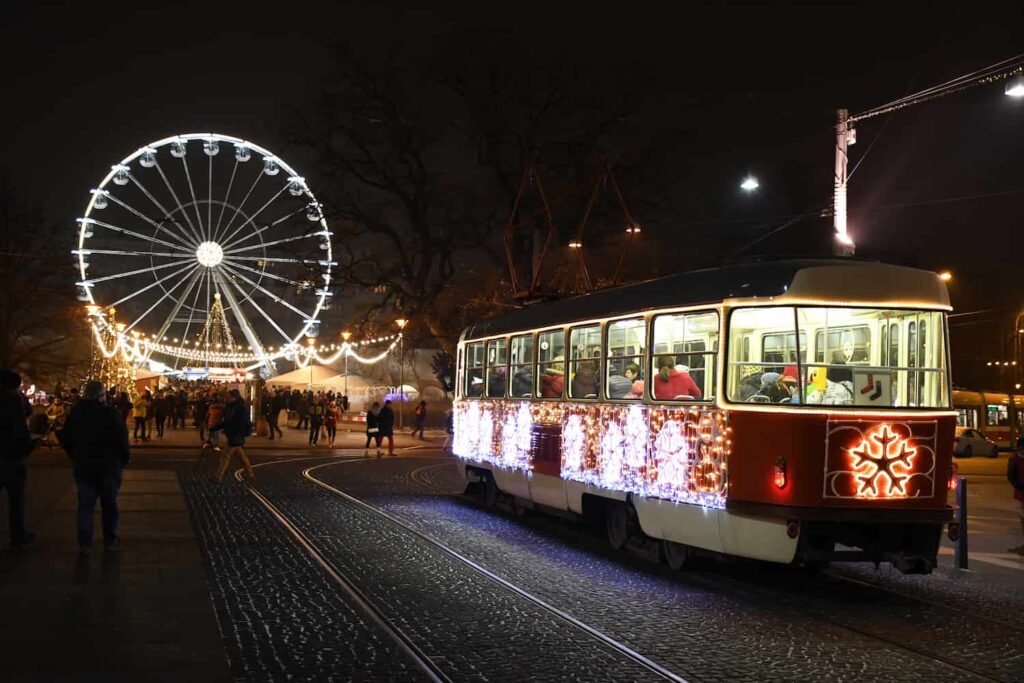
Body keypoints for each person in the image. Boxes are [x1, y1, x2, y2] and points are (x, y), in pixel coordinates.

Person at [61, 381, 130, 555]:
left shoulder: (76, 412)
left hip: (84, 465)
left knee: (85, 506)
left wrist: (73, 454)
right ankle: (110, 540)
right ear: (101, 395)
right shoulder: (110, 413)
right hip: (108, 466)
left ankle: (85, 543)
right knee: (109, 505)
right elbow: (121, 438)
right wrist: (124, 458)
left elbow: (66, 436)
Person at [0, 369, 35, 548]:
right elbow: (22, 422)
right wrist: (27, 446)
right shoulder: (14, 398)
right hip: (11, 455)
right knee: (16, 500)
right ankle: (17, 536)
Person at [216, 389, 255, 481]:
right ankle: (250, 473)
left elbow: (239, 422)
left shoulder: (239, 408)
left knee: (226, 455)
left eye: (230, 397)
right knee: (241, 456)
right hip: (232, 434)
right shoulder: (231, 406)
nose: (228, 398)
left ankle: (218, 476)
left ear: (234, 397)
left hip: (235, 434)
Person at [1007, 437, 1024, 556]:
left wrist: (1018, 486)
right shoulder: (1014, 459)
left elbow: (1011, 475)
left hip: (1020, 493)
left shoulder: (1014, 458)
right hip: (1020, 493)